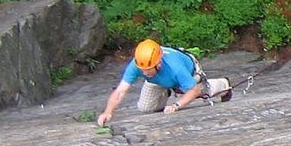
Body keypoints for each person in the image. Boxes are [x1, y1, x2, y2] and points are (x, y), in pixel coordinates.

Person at [97, 39, 232, 126]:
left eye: (148, 70)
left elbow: (194, 90)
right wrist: (108, 112)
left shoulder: (176, 67)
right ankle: (166, 90)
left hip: (189, 73)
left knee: (201, 91)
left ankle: (223, 84)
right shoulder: (138, 63)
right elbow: (120, 91)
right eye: (142, 70)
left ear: (159, 63)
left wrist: (176, 105)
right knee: (145, 108)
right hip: (158, 81)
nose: (144, 73)